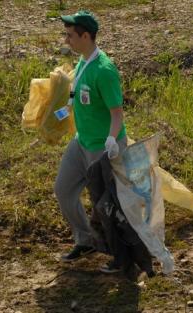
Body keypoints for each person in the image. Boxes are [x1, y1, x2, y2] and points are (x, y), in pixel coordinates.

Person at [55, 10, 127, 273]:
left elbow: (117, 113)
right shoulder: (83, 63)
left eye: (70, 35)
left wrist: (111, 140)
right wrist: (61, 113)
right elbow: (76, 97)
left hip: (102, 147)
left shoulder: (104, 70)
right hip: (81, 142)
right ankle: (85, 240)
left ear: (86, 36)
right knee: (63, 190)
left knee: (106, 205)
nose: (67, 40)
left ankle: (121, 257)